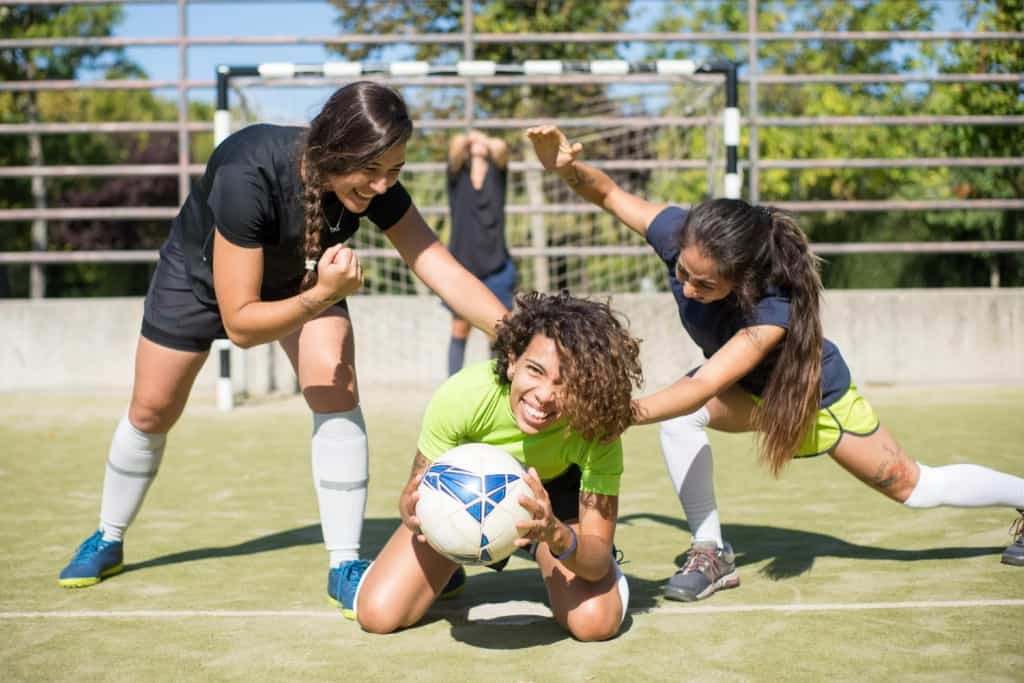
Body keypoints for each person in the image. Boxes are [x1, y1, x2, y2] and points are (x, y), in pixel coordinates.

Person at [57, 82, 508, 613]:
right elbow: (243, 326)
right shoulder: (245, 171)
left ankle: (344, 563)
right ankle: (108, 535)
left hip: (303, 281)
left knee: (334, 383)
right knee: (151, 408)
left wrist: (521, 334)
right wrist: (322, 295)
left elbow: (438, 265)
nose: (385, 185)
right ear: (339, 150)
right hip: (201, 282)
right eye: (375, 171)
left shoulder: (373, 184)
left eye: (397, 171)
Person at [526, 124, 1024, 604]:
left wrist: (622, 412)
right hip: (752, 396)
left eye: (706, 286)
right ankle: (710, 552)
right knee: (681, 420)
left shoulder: (772, 307)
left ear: (741, 281)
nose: (689, 289)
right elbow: (610, 195)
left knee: (912, 487)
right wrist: (569, 170)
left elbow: (706, 382)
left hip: (810, 397)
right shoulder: (682, 234)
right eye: (683, 274)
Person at [354, 291, 643, 641]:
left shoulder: (598, 429)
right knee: (377, 615)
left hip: (557, 511)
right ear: (511, 362)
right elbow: (413, 492)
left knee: (595, 623)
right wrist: (410, 511)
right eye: (535, 371)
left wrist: (556, 534)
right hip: (465, 496)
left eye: (566, 382)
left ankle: (569, 562)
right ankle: (453, 559)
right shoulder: (465, 395)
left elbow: (593, 562)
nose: (544, 395)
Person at [444, 130, 516, 375]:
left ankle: (496, 384)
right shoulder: (457, 175)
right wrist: (467, 139)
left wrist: (482, 139)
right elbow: (454, 148)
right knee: (460, 328)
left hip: (497, 267)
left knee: (497, 331)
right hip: (463, 267)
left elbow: (501, 147)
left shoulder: (497, 174)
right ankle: (451, 385)